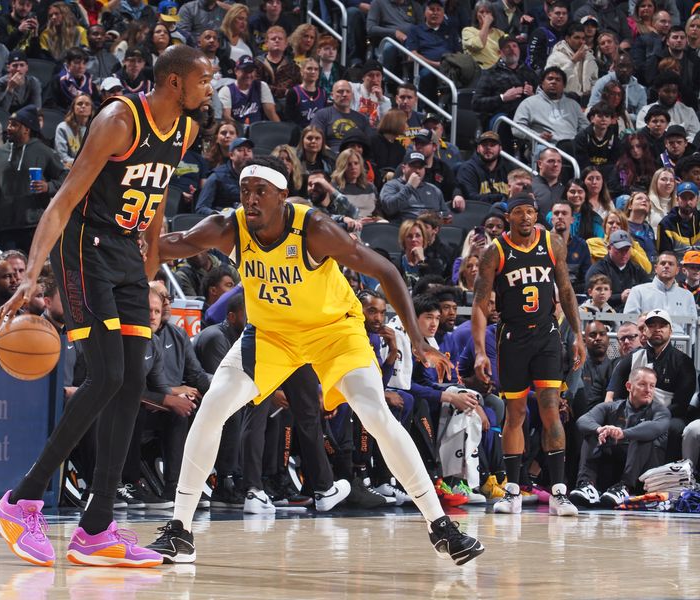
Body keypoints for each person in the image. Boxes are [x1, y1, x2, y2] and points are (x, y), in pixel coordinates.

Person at [147, 154, 484, 565]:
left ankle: (440, 525)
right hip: (272, 335)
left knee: (375, 413)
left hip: (334, 333)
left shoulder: (315, 229)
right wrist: (152, 207)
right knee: (213, 406)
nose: (250, 201)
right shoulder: (228, 227)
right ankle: (180, 531)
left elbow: (387, 272)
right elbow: (166, 247)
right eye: (245, 191)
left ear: (283, 196)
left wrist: (416, 338)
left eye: (261, 193)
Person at [0, 45, 213, 568]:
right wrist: (29, 277)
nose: (211, 86)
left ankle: (95, 528)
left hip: (127, 255)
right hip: (84, 248)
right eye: (204, 78)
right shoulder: (119, 119)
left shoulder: (186, 131)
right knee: (108, 375)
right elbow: (64, 199)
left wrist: (152, 265)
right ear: (175, 82)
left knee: (133, 382)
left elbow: (155, 202)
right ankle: (21, 502)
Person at [471, 192, 586, 517]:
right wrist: (481, 352)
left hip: (547, 336)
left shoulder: (552, 244)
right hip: (512, 338)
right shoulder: (495, 251)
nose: (525, 217)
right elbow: (480, 303)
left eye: (530, 212)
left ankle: (560, 493)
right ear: (509, 217)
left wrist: (577, 334)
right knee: (516, 413)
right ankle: (512, 490)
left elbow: (565, 292)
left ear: (538, 215)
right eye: (519, 212)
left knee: (551, 408)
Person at [604, 309, 695, 462]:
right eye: (652, 325)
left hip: (667, 415)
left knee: (674, 427)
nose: (657, 329)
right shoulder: (633, 357)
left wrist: (651, 418)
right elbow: (612, 391)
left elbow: (681, 404)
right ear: (644, 331)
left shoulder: (683, 361)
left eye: (662, 325)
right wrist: (609, 410)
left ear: (670, 331)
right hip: (633, 412)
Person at [570, 366, 669, 507]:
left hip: (643, 470)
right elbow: (583, 421)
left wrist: (622, 433)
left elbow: (655, 428)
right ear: (629, 386)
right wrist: (600, 429)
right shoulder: (612, 407)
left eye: (652, 386)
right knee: (592, 434)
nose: (648, 390)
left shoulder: (660, 411)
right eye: (642, 384)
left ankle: (625, 487)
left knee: (642, 436)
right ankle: (586, 485)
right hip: (615, 462)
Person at [0, 105, 67, 252]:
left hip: (34, 225)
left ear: (27, 129)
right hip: (4, 226)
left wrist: (48, 187)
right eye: (9, 124)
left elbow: (65, 178)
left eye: (14, 125)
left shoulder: (43, 151)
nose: (9, 128)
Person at [624, 251, 697, 336]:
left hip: (680, 343)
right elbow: (629, 322)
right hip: (646, 342)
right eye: (663, 263)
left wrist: (688, 346)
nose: (666, 266)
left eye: (671, 264)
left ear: (677, 270)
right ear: (655, 268)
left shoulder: (687, 296)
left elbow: (693, 326)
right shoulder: (638, 291)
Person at [585, 230, 651, 311]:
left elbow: (649, 289)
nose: (624, 253)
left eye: (627, 250)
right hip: (604, 316)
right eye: (619, 250)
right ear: (609, 248)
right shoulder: (598, 269)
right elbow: (592, 297)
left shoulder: (636, 269)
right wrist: (620, 298)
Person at [380, 149, 449, 225]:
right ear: (403, 168)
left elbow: (445, 213)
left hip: (431, 230)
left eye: (421, 167)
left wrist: (441, 216)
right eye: (413, 166)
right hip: (405, 229)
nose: (417, 171)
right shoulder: (392, 185)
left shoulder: (434, 189)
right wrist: (410, 187)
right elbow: (389, 208)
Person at [544, 21, 599, 106]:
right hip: (562, 102)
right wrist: (573, 61)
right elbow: (551, 82)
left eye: (583, 38)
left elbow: (595, 79)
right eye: (576, 38)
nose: (581, 42)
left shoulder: (589, 56)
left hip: (586, 103)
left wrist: (591, 92)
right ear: (567, 38)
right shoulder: (555, 57)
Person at [309, 80, 371, 153]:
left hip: (356, 159)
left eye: (348, 91)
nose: (344, 94)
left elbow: (367, 144)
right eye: (340, 91)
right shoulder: (322, 114)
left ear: (352, 95)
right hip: (330, 158)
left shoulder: (362, 118)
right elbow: (316, 141)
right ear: (332, 95)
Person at [219, 55, 279, 125]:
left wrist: (281, 130)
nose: (248, 75)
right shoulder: (226, 91)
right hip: (237, 131)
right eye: (245, 71)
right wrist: (243, 130)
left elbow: (271, 113)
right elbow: (227, 118)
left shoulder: (261, 86)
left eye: (251, 71)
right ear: (236, 71)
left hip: (258, 131)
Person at [456, 130, 510, 204]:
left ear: (500, 148)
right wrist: (502, 197)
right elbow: (471, 198)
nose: (488, 148)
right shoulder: (467, 169)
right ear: (478, 149)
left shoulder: (509, 168)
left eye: (492, 145)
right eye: (484, 145)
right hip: (478, 213)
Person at [550, 200, 592, 293]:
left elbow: (587, 279)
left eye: (564, 213)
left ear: (572, 220)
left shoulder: (581, 245)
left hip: (575, 295)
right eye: (556, 213)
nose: (560, 217)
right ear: (552, 219)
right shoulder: (543, 244)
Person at [658, 181, 700, 259]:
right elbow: (665, 256)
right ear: (677, 199)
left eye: (691, 198)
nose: (688, 202)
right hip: (678, 268)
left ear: (697, 199)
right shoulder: (666, 224)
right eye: (684, 198)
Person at [54, 92, 93, 168]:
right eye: (79, 104)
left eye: (87, 104)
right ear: (73, 108)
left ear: (91, 109)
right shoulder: (63, 128)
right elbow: (62, 156)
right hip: (69, 169)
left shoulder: (95, 129)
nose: (83, 106)